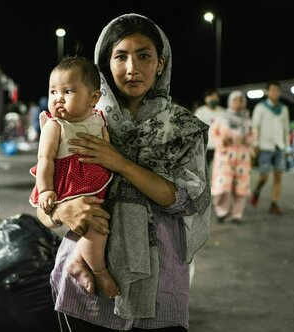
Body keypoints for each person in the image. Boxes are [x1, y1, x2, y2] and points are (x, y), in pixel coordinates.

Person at [36, 14, 211, 331]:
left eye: (144, 55)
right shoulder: (78, 120)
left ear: (160, 63)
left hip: (160, 284)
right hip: (88, 290)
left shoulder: (183, 130)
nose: (132, 68)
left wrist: (119, 162)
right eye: (121, 56)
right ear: (105, 64)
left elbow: (186, 201)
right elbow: (42, 208)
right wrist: (62, 210)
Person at [29, 56, 117, 297]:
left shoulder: (99, 119)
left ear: (94, 98)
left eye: (67, 91)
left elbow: (108, 150)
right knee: (96, 228)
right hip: (69, 185)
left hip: (95, 182)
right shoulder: (55, 125)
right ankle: (97, 271)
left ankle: (79, 260)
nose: (58, 98)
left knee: (99, 224)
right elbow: (45, 159)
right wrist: (46, 190)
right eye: (53, 91)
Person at [211, 91, 255, 224]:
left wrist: (249, 142)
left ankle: (237, 214)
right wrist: (221, 142)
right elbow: (213, 134)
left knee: (241, 186)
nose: (238, 103)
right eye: (236, 100)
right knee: (222, 184)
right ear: (231, 101)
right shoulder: (222, 117)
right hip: (225, 154)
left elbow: (252, 136)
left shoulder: (247, 119)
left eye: (241, 101)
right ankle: (221, 211)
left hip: (242, 155)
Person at [250, 80, 289, 215]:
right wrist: (255, 144)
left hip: (279, 147)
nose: (275, 93)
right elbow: (255, 127)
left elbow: (286, 129)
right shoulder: (260, 107)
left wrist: (287, 148)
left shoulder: (284, 109)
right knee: (264, 176)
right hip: (265, 146)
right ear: (268, 92)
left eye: (277, 90)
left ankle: (274, 203)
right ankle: (257, 190)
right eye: (273, 90)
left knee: (278, 176)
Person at [194, 88, 225, 166]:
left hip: (219, 147)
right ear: (206, 98)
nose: (214, 98)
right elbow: (195, 129)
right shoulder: (200, 112)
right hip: (205, 146)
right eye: (211, 96)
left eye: (216, 96)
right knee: (204, 170)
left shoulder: (223, 112)